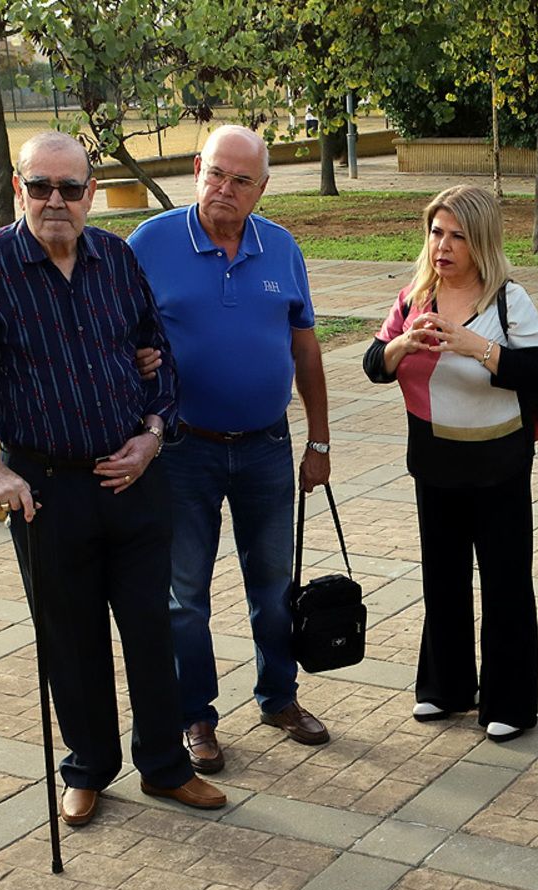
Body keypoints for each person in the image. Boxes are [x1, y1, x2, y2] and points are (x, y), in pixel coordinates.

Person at [0, 130, 224, 826]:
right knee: (71, 637)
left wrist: (153, 437)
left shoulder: (116, 259)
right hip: (47, 490)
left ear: (91, 192)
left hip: (134, 481)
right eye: (40, 186)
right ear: (18, 187)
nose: (54, 201)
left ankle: (166, 767)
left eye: (69, 187)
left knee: (151, 630)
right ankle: (88, 768)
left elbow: (160, 359)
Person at [127, 126, 334, 775]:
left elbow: (305, 350)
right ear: (197, 169)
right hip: (182, 449)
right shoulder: (150, 244)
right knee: (185, 593)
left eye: (242, 180)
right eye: (216, 173)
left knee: (273, 585)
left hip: (267, 446)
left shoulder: (282, 248)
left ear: (262, 188)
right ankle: (196, 715)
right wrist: (135, 362)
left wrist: (319, 439)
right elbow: (113, 334)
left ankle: (279, 697)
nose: (225, 189)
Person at [363, 184, 538, 741]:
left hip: (500, 459)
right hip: (434, 457)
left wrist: (476, 347)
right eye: (436, 232)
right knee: (442, 577)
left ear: (482, 242)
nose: (443, 246)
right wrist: (403, 345)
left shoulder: (508, 299)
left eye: (458, 236)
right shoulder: (414, 297)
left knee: (505, 581)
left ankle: (510, 703)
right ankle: (445, 688)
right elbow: (375, 364)